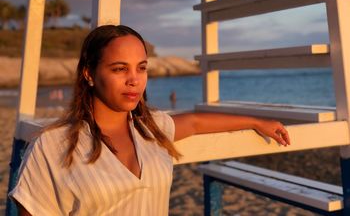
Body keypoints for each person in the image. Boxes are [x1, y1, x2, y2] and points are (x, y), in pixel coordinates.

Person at [9, 25, 290, 215]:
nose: (134, 80)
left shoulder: (150, 128)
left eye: (141, 68)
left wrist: (256, 121)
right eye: (120, 68)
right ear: (89, 74)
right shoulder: (53, 145)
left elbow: (194, 122)